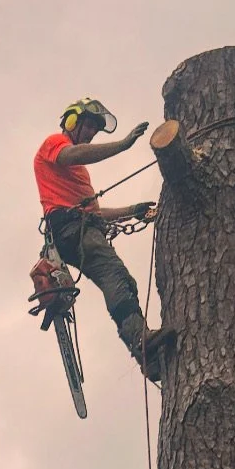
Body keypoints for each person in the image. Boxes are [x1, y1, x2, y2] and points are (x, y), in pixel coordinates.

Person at [34, 97, 173, 378]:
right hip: (72, 230)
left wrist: (133, 211)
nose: (91, 134)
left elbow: (95, 212)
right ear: (72, 121)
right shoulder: (54, 145)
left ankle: (148, 357)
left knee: (122, 280)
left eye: (95, 130)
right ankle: (139, 339)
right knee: (116, 275)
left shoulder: (78, 175)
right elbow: (75, 154)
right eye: (88, 127)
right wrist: (123, 145)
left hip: (82, 228)